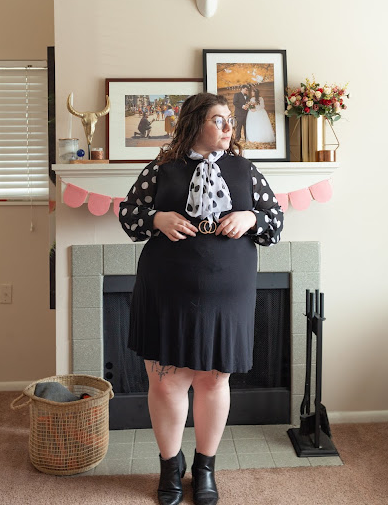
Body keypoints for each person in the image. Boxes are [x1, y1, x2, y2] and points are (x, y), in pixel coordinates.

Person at [119, 92, 283, 505]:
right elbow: (129, 216)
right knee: (169, 382)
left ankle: (205, 469)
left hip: (229, 292)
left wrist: (252, 217)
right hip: (167, 288)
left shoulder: (245, 169)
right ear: (195, 124)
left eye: (230, 120)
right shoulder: (163, 169)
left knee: (214, 379)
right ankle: (170, 468)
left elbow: (275, 222)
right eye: (218, 119)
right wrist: (156, 217)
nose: (229, 127)